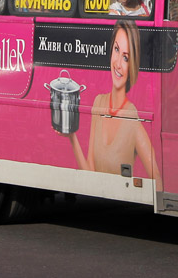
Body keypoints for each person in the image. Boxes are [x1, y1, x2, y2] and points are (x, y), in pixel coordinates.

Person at [68, 21, 159, 180]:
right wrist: (72, 137)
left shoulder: (132, 118)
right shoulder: (98, 103)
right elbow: (90, 174)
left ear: (132, 65)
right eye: (116, 50)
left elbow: (156, 178)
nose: (117, 63)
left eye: (126, 58)